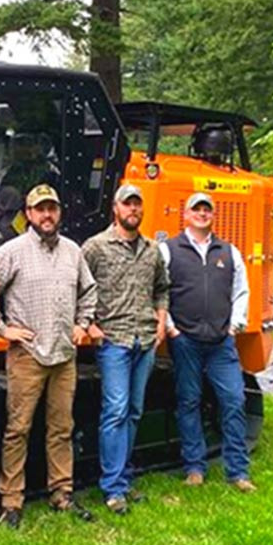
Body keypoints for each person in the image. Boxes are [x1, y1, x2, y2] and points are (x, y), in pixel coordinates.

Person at [0, 184, 98, 529]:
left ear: (59, 212)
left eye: (52, 208)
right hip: (27, 356)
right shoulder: (11, 252)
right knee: (18, 429)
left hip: (64, 355)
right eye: (40, 209)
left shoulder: (72, 252)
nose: (47, 215)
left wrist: (83, 323)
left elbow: (89, 289)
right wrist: (3, 330)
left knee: (61, 428)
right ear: (29, 213)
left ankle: (61, 491)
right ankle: (11, 500)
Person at [81, 183, 170, 516]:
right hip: (114, 341)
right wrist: (88, 325)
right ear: (115, 209)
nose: (133, 209)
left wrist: (161, 322)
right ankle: (113, 487)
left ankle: (123, 478)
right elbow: (78, 286)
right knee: (115, 411)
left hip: (145, 340)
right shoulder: (96, 247)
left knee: (133, 411)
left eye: (137, 204)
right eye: (127, 204)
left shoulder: (152, 250)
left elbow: (162, 289)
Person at [159, 192, 256, 492]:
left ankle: (238, 471)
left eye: (207, 210)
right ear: (185, 215)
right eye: (196, 209)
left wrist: (234, 326)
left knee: (234, 400)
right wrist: (172, 329)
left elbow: (241, 291)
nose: (202, 214)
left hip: (220, 343)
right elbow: (160, 290)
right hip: (185, 340)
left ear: (213, 215)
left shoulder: (229, 252)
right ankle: (194, 468)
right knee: (189, 402)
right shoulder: (168, 250)